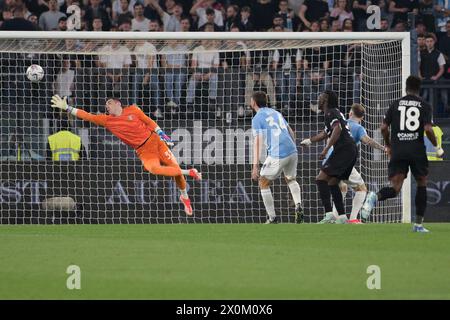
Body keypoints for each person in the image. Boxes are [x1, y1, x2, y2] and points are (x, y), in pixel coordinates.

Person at [50, 95, 202, 215]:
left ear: (117, 103)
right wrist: (67, 107)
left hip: (156, 142)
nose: (106, 107)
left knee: (175, 171)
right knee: (153, 169)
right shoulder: (107, 120)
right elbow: (87, 115)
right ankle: (189, 171)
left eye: (108, 103)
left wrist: (161, 133)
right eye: (105, 105)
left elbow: (149, 121)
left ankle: (185, 197)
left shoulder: (133, 110)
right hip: (143, 150)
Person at [361, 76, 444, 233]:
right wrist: (436, 145)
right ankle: (418, 225)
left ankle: (374, 196)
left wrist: (388, 145)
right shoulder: (424, 105)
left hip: (398, 150)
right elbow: (427, 129)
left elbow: (384, 128)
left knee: (396, 187)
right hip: (416, 150)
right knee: (421, 183)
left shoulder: (395, 104)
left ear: (406, 88)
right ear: (419, 89)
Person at [317, 103, 386, 224]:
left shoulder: (340, 122)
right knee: (361, 189)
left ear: (350, 113)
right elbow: (368, 141)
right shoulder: (358, 128)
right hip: (342, 161)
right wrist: (383, 148)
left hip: (328, 160)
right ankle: (353, 218)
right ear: (362, 118)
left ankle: (335, 217)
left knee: (340, 187)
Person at [301, 91, 357, 223]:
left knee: (321, 179)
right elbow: (326, 133)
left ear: (325, 99)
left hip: (344, 149)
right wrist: (310, 140)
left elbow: (337, 129)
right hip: (351, 150)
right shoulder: (334, 113)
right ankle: (342, 216)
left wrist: (326, 149)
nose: (318, 99)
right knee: (332, 182)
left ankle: (329, 214)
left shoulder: (330, 112)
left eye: (320, 96)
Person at [251, 91, 304, 224]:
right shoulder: (276, 112)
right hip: (292, 150)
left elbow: (258, 142)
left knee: (263, 182)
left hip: (278, 153)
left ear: (254, 102)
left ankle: (272, 217)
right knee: (291, 179)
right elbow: (291, 131)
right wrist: (292, 147)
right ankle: (298, 205)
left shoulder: (257, 118)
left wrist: (255, 166)